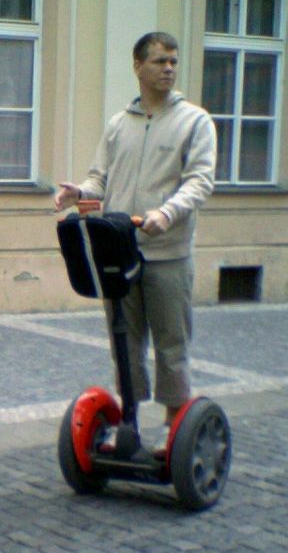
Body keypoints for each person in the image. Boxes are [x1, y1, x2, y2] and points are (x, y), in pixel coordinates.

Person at [54, 31, 216, 451]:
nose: (168, 69)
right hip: (120, 250)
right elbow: (100, 179)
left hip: (168, 252)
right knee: (124, 341)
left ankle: (172, 431)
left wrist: (167, 213)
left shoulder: (194, 122)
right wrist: (81, 193)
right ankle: (130, 424)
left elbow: (200, 182)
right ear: (138, 66)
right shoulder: (119, 125)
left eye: (173, 62)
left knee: (170, 343)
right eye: (160, 61)